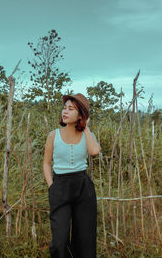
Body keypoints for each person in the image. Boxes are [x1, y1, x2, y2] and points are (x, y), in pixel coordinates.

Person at [43, 93, 101, 258]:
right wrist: (52, 187)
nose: (65, 111)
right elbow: (46, 164)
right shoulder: (53, 135)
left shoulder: (87, 135)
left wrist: (86, 127)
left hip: (83, 187)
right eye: (64, 107)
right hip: (60, 187)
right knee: (59, 239)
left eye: (71, 109)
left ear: (81, 115)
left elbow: (94, 151)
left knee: (85, 237)